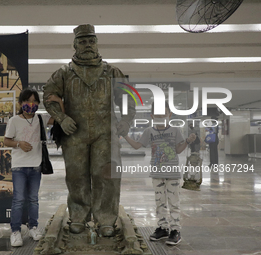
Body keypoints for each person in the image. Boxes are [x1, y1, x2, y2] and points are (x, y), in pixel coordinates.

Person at [43, 24, 136, 237]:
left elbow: (130, 99)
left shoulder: (112, 71)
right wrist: (61, 118)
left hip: (106, 133)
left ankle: (106, 219)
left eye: (91, 41)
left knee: (107, 177)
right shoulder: (63, 73)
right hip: (74, 133)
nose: (88, 45)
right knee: (76, 176)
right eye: (83, 41)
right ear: (75, 45)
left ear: (97, 43)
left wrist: (126, 121)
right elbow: (49, 97)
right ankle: (78, 216)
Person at [123, 101, 196, 245]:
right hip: (157, 173)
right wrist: (125, 136)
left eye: (164, 114)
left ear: (170, 115)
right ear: (152, 116)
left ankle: (175, 230)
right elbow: (137, 146)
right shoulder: (149, 131)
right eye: (158, 115)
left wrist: (187, 141)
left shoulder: (175, 131)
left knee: (173, 202)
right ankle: (163, 228)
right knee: (160, 202)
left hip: (173, 173)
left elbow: (177, 150)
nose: (161, 117)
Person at [4, 88, 63, 247]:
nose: (31, 104)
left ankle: (33, 227)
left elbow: (61, 118)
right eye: (27, 101)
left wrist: (59, 102)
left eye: (34, 101)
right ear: (21, 103)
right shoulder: (14, 120)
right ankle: (15, 231)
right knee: (18, 199)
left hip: (36, 166)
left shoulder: (41, 118)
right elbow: (6, 140)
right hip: (19, 167)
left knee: (33, 199)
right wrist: (19, 144)